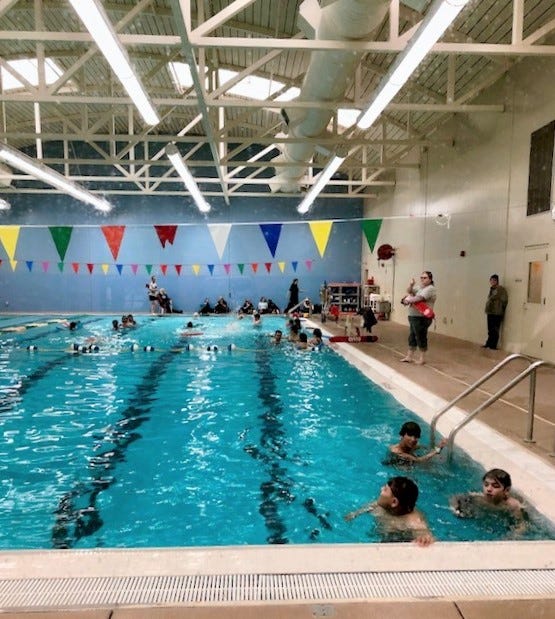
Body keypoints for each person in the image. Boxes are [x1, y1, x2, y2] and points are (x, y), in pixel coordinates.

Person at [344, 476, 434, 546]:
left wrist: (425, 538)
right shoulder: (380, 505)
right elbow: (368, 507)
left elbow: (425, 534)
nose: (381, 489)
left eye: (385, 489)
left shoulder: (413, 521)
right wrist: (354, 514)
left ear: (394, 502)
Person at [450, 468, 526, 534]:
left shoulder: (512, 505)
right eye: (486, 485)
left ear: (506, 490)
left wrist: (514, 535)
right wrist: (456, 509)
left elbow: (521, 525)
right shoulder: (478, 498)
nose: (489, 489)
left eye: (495, 486)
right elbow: (455, 498)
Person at [400, 271, 436, 365]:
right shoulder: (419, 287)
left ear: (430, 279)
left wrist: (407, 300)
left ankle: (422, 358)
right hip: (413, 316)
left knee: (420, 336)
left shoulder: (430, 289)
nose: (422, 279)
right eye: (421, 278)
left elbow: (419, 298)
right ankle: (409, 356)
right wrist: (411, 285)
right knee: (412, 336)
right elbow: (409, 291)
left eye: (425, 278)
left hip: (422, 317)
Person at [483, 274, 508, 350]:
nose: (492, 282)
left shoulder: (500, 289)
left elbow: (504, 300)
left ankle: (493, 345)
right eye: (491, 280)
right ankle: (488, 344)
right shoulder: (492, 289)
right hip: (490, 312)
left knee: (495, 329)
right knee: (490, 329)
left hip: (496, 313)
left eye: (494, 280)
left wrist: (500, 308)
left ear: (497, 281)